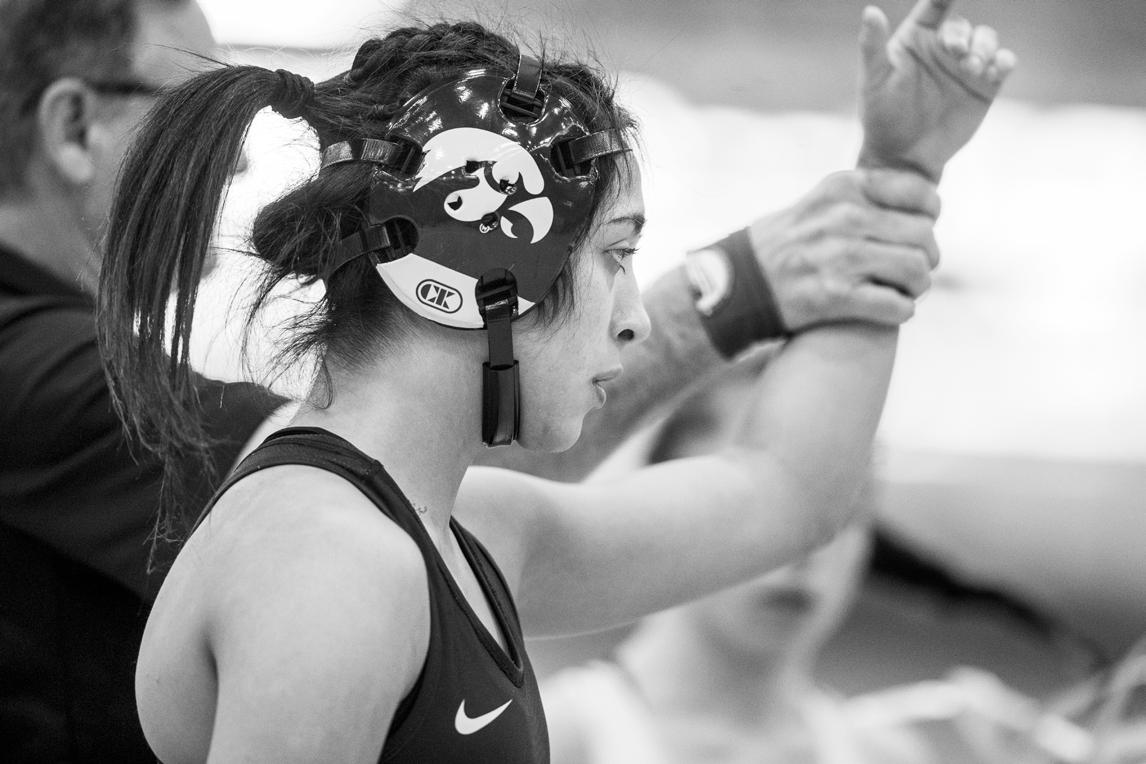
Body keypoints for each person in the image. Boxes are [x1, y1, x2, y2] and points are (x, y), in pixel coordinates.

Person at [0, 0, 1007, 759]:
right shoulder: (331, 563)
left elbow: (788, 493)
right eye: (616, 254)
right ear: (480, 272)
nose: (634, 314)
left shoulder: (459, 534)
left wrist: (899, 181)